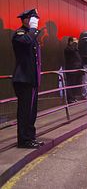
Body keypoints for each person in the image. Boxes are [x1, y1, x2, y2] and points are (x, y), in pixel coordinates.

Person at [12, 9, 44, 149]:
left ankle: (30, 137)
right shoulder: (20, 34)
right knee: (25, 112)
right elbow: (25, 41)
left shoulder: (31, 35)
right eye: (33, 18)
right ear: (26, 20)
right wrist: (32, 29)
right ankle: (24, 140)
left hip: (31, 79)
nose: (35, 21)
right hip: (24, 79)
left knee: (32, 111)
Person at [64, 37, 83, 103]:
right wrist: (74, 43)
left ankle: (74, 97)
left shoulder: (76, 49)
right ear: (70, 42)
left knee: (75, 84)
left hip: (77, 69)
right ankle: (70, 98)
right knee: (70, 84)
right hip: (71, 69)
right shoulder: (68, 49)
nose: (76, 42)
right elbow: (70, 50)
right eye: (74, 41)